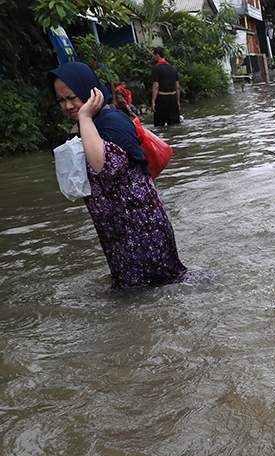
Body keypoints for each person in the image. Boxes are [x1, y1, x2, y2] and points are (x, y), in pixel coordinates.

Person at [51, 62, 187, 288]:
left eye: (72, 97)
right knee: (139, 293)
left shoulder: (110, 122)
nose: (67, 105)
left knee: (157, 292)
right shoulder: (91, 124)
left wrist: (84, 117)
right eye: (61, 100)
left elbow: (102, 166)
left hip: (140, 229)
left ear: (89, 91)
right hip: (119, 231)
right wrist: (83, 121)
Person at [151, 47, 180, 127]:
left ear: (157, 55)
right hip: (173, 98)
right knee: (175, 125)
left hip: (162, 99)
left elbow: (156, 86)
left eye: (153, 55)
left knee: (159, 126)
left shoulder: (156, 68)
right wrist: (177, 101)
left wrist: (153, 101)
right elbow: (177, 87)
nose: (152, 57)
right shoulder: (173, 68)